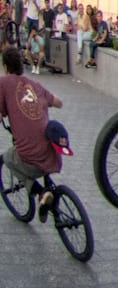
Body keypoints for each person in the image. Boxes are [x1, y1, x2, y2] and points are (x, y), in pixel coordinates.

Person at [0, 45, 64, 221]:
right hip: (53, 154)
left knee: (7, 158)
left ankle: (41, 193)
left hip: (30, 157)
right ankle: (48, 195)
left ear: (5, 67)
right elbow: (59, 102)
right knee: (39, 149)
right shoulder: (34, 84)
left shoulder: (3, 83)